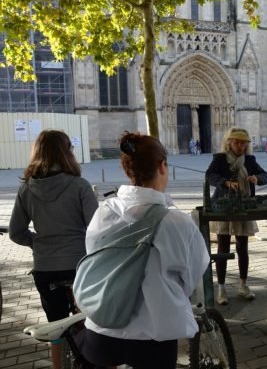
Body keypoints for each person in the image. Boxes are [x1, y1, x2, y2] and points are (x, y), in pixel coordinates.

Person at [76, 131, 208, 369]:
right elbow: (191, 276)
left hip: (102, 330)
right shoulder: (176, 221)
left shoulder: (104, 212)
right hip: (153, 336)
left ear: (127, 170)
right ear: (162, 166)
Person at [9, 130, 98, 369]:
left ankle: (58, 365)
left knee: (55, 328)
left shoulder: (26, 189)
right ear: (67, 152)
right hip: (80, 267)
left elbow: (15, 232)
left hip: (45, 268)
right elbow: (96, 229)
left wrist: (38, 242)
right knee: (89, 322)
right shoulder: (80, 186)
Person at [206, 128, 267, 305]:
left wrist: (257, 178)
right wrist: (225, 182)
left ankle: (243, 285)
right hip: (224, 207)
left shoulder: (250, 160)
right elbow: (210, 176)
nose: (241, 146)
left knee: (243, 247)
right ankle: (221, 288)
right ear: (229, 143)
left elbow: (265, 175)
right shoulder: (219, 159)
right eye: (237, 142)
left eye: (244, 143)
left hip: (244, 206)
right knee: (223, 248)